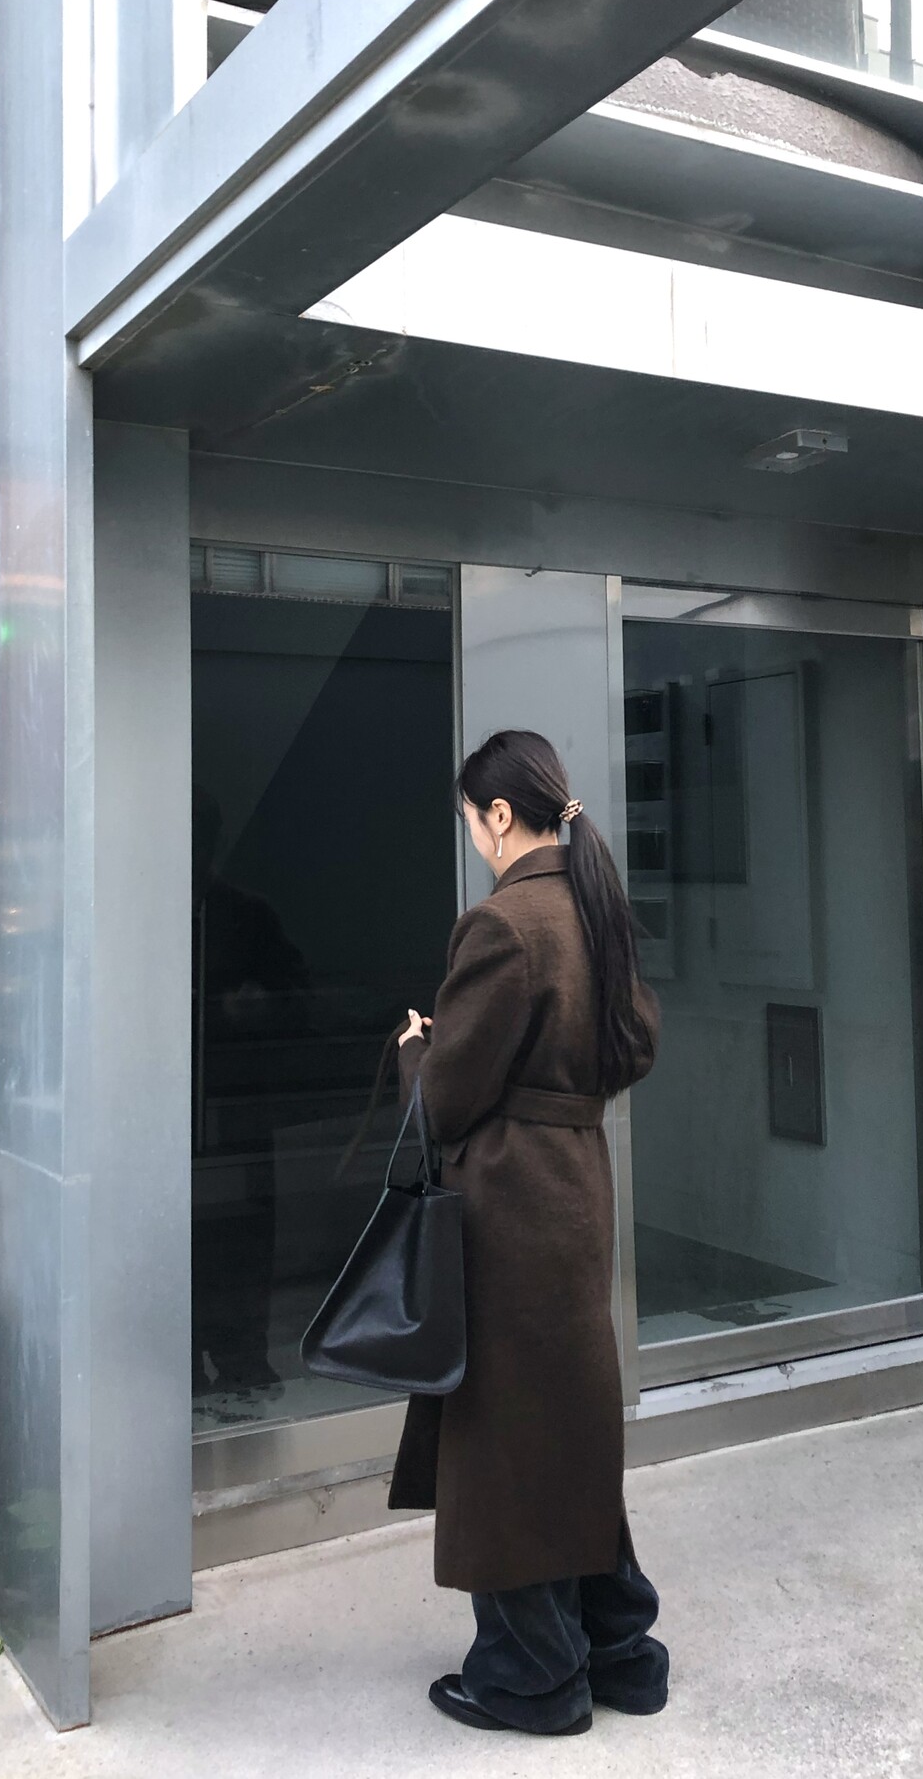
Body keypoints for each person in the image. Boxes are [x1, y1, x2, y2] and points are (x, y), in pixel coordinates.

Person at [391, 728, 668, 1736]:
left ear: (501, 815)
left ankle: (534, 1676)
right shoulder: (595, 907)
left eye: (475, 820)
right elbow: (634, 1044)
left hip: (508, 1210)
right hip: (576, 1190)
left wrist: (417, 1051)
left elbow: (445, 1103)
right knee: (566, 1431)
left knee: (506, 1444)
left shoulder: (502, 924)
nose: (476, 837)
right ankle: (621, 1651)